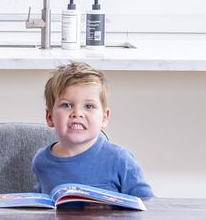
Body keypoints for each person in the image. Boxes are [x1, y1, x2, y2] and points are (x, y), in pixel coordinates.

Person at [31, 61, 153, 198]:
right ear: (49, 117)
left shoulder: (120, 160)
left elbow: (148, 206)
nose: (77, 113)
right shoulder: (41, 161)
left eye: (88, 106)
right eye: (66, 105)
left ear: (104, 118)